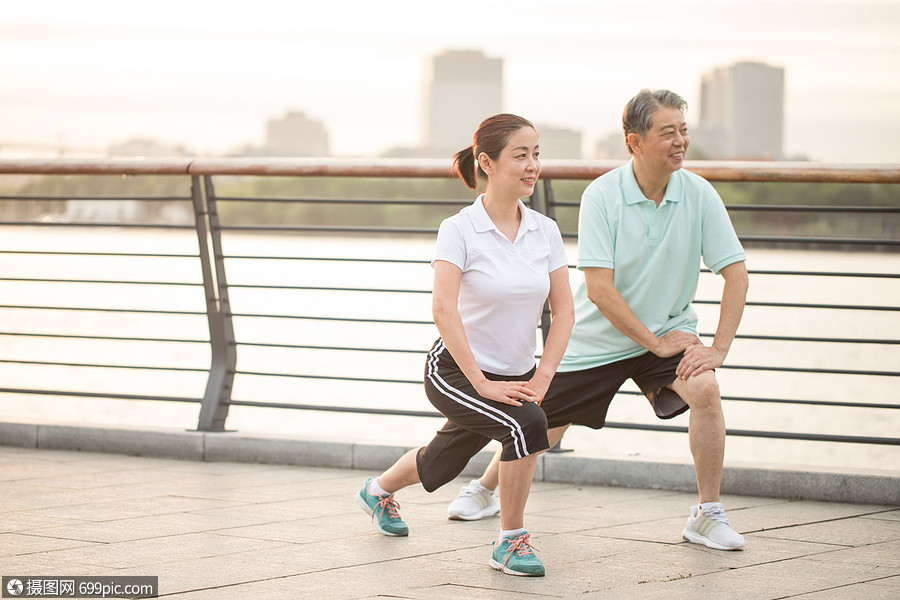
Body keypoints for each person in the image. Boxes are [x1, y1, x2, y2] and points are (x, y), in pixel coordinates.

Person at [446, 89, 750, 552]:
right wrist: (655, 341)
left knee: (705, 388)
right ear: (634, 142)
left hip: (666, 337)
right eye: (667, 132)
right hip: (596, 341)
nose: (680, 141)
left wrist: (718, 349)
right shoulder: (603, 195)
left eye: (683, 131)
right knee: (539, 417)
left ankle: (708, 516)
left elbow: (736, 274)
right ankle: (484, 489)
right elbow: (599, 290)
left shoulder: (699, 194)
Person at [355, 113, 575, 576]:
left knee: (446, 458)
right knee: (526, 426)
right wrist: (482, 383)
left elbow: (564, 312)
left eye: (537, 154)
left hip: (514, 373)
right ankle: (510, 543)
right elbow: (443, 309)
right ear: (487, 163)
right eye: (521, 155)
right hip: (455, 370)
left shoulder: (545, 231)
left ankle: (377, 491)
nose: (533, 165)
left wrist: (541, 376)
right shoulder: (459, 230)